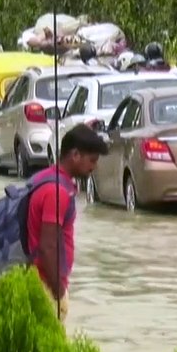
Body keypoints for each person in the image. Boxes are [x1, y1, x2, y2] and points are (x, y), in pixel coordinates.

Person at [26, 124, 108, 321]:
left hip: (33, 279)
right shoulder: (57, 192)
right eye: (92, 160)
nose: (94, 167)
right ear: (75, 155)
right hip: (45, 285)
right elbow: (47, 247)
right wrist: (59, 289)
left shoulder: (44, 177)